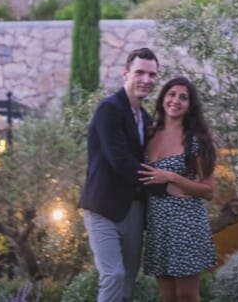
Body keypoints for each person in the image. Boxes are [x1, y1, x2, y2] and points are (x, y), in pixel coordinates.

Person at [80, 47, 160, 302]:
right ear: (125, 73)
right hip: (103, 208)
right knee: (113, 275)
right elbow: (120, 161)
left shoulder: (146, 119)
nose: (146, 80)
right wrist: (162, 183)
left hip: (134, 210)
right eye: (140, 72)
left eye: (152, 75)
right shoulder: (109, 109)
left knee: (127, 281)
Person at [139, 76, 218, 302]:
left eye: (183, 98)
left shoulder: (196, 140)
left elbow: (209, 190)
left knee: (186, 295)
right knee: (167, 296)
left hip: (186, 223)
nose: (176, 100)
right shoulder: (149, 134)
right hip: (158, 222)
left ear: (190, 106)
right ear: (163, 98)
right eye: (171, 94)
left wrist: (172, 177)